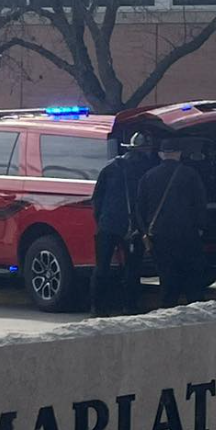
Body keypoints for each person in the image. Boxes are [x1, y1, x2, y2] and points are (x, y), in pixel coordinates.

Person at [135, 138, 207, 308]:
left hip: (159, 235)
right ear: (179, 154)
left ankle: (168, 307)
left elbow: (139, 208)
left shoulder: (148, 176)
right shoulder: (190, 174)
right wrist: (201, 228)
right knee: (191, 275)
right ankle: (194, 308)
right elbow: (200, 203)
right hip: (187, 233)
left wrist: (144, 231)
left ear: (161, 154)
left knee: (167, 276)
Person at [89, 131, 153, 316]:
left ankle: (98, 308)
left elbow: (97, 198)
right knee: (132, 268)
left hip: (107, 224)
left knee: (102, 267)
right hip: (133, 226)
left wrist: (101, 220)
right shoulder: (146, 169)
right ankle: (130, 306)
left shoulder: (110, 168)